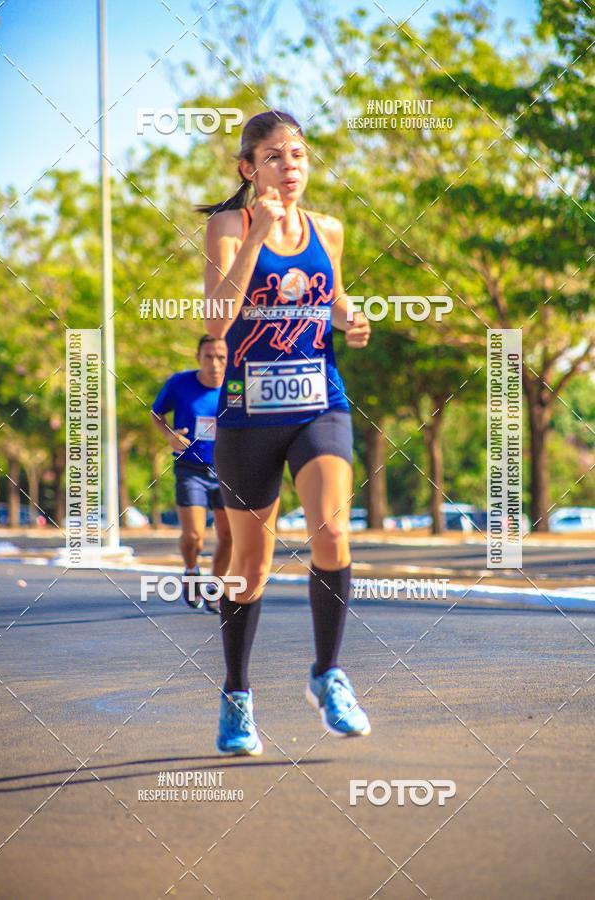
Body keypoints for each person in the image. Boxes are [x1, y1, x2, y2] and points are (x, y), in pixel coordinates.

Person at [200, 110, 372, 755]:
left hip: (317, 400)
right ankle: (237, 696)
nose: (289, 166)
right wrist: (257, 235)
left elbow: (334, 294)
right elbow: (217, 322)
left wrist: (351, 320)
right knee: (250, 567)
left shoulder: (328, 228)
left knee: (331, 527)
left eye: (297, 154)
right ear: (248, 170)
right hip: (248, 411)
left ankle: (328, 674)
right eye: (273, 156)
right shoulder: (229, 226)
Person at [151, 335, 231, 614]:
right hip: (191, 468)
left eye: (221, 357)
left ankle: (215, 589)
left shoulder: (239, 387)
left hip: (228, 470)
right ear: (198, 357)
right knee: (194, 536)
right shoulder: (180, 384)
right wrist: (169, 436)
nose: (215, 363)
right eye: (208, 356)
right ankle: (190, 570)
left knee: (228, 534)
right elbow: (156, 413)